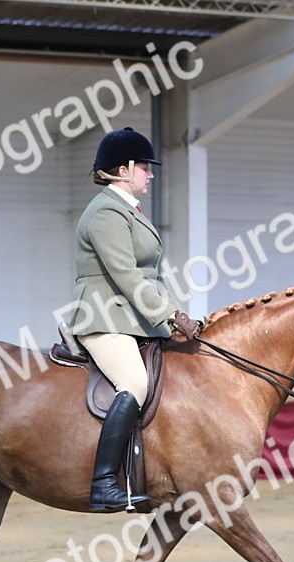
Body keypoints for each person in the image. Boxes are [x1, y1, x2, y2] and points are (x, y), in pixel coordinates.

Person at [66, 127, 204, 512]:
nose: (151, 174)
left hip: (131, 318)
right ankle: (104, 483)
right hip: (102, 316)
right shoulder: (106, 212)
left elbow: (148, 279)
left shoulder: (126, 210)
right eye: (145, 167)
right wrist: (170, 314)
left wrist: (177, 315)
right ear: (124, 169)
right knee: (134, 381)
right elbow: (127, 275)